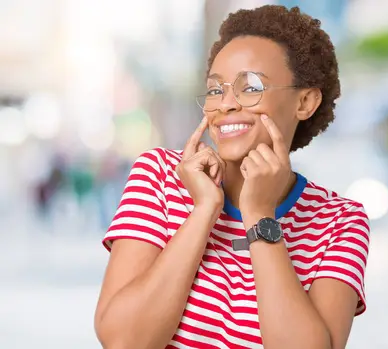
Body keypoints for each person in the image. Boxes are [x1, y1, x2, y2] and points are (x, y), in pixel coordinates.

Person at [94, 5, 370, 349]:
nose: (224, 104)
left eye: (250, 87)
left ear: (305, 101)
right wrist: (204, 210)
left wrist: (259, 214)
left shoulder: (340, 222)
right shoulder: (160, 176)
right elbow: (124, 342)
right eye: (214, 90)